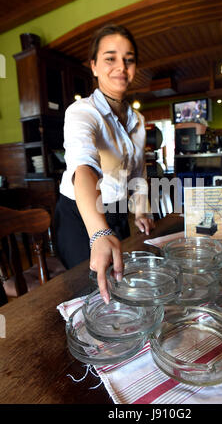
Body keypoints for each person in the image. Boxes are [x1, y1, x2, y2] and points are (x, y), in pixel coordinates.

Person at [54, 24, 155, 304]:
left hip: (117, 214)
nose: (121, 66)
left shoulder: (139, 121)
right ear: (94, 66)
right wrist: (98, 231)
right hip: (80, 216)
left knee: (122, 286)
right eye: (110, 58)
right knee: (94, 296)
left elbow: (139, 172)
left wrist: (141, 210)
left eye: (129, 59)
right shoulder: (82, 111)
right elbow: (83, 168)